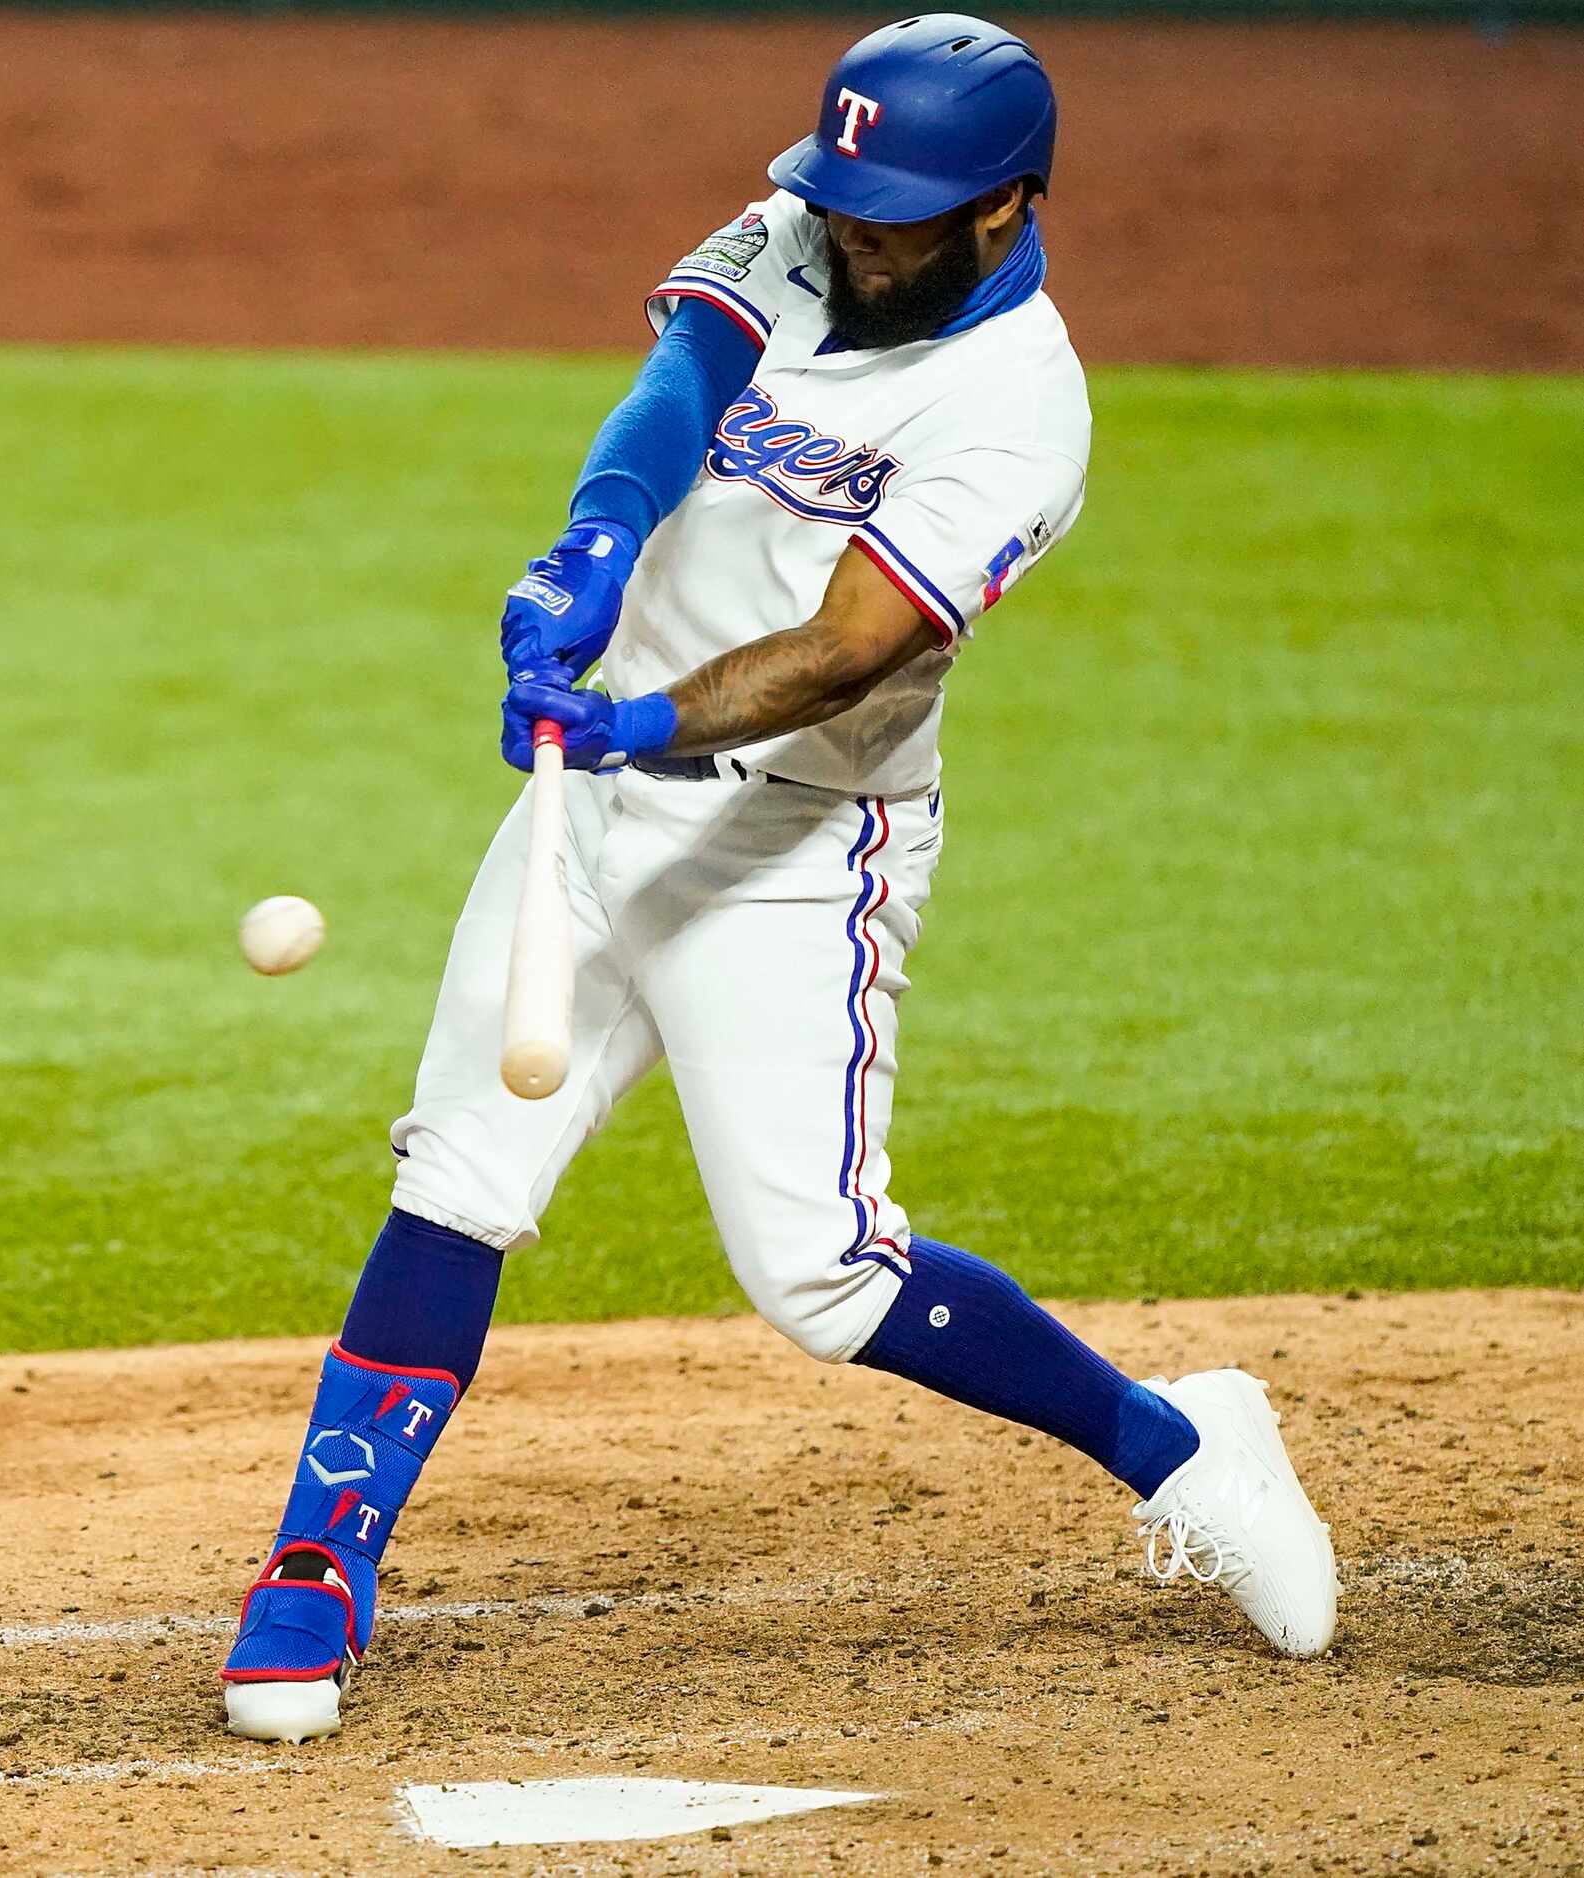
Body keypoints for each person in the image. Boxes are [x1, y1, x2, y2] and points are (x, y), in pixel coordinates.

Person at [219, 13, 1338, 1745]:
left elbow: (841, 652)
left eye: (898, 212)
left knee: (821, 1272)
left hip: (793, 849)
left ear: (1007, 206)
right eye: (846, 197)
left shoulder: (1019, 413)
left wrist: (635, 717)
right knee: (460, 1169)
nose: (855, 234)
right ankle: (318, 1556)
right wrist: (589, 549)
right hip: (593, 806)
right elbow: (679, 386)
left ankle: (1178, 1444)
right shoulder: (805, 232)